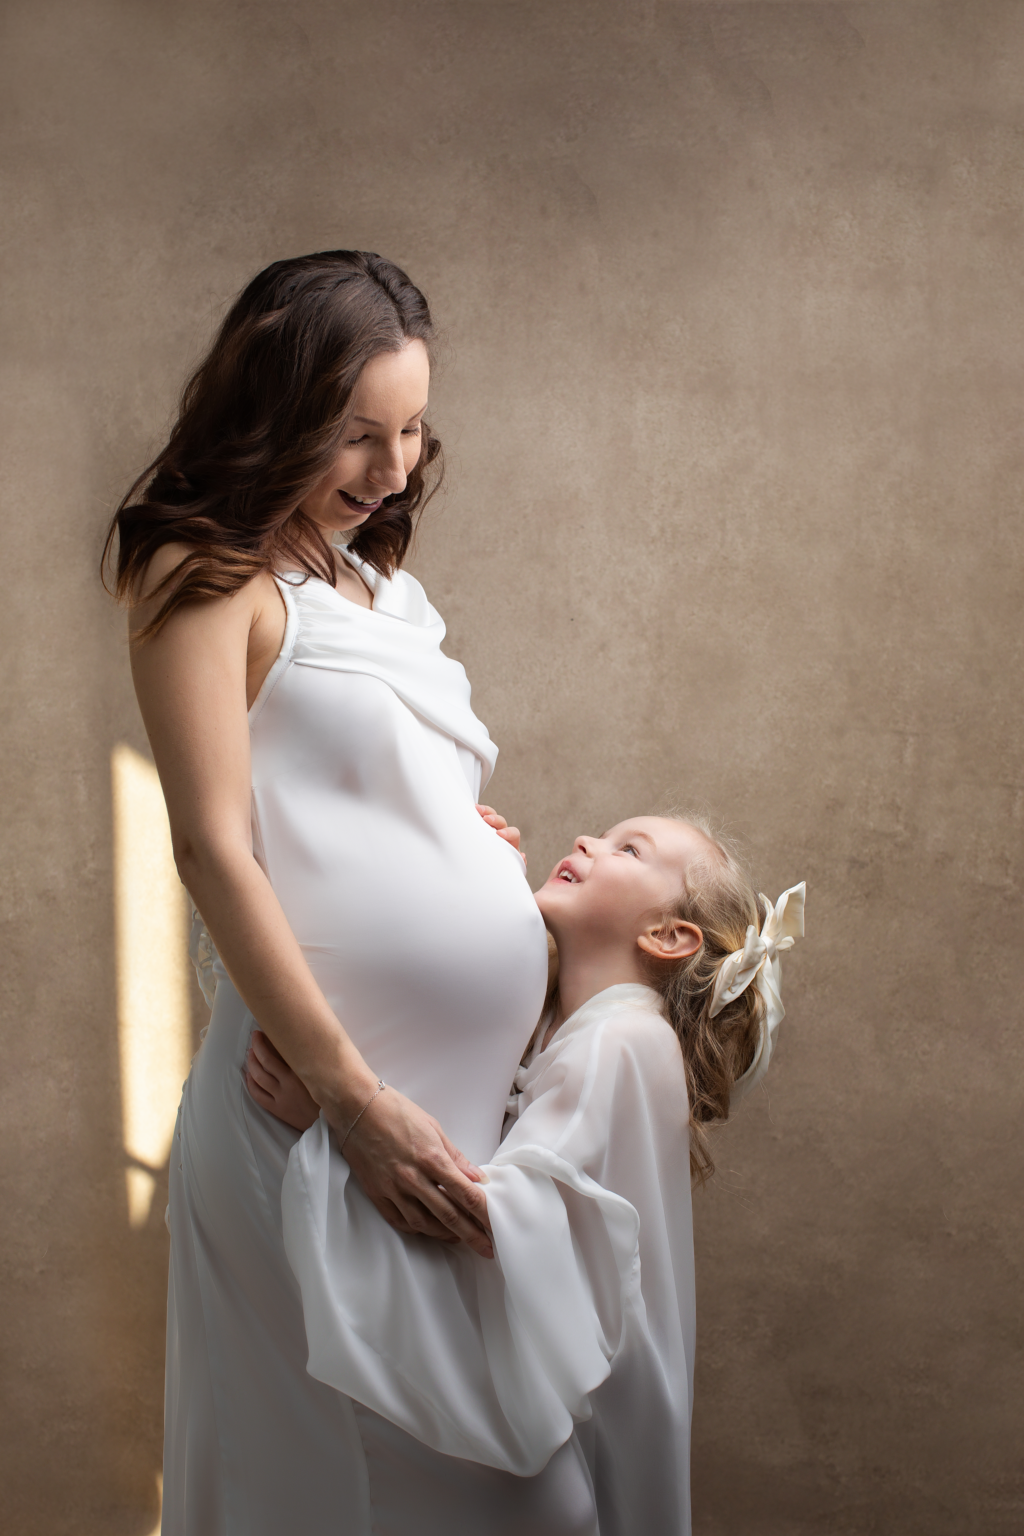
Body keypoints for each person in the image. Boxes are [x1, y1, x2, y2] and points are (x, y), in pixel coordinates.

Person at [104, 251, 599, 1534]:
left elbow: (353, 777)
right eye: (356, 434)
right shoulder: (201, 577)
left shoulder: (373, 576)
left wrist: (453, 833)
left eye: (413, 428)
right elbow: (214, 847)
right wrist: (349, 1096)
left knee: (512, 1490)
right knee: (317, 1480)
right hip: (313, 1116)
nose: (391, 469)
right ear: (271, 409)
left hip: (431, 1113)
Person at [247, 814, 806, 1536]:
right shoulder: (568, 1026)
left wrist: (335, 1117)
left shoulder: (625, 1040)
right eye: (602, 836)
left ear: (668, 937)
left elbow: (495, 1221)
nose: (587, 843)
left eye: (627, 850)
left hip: (571, 1451)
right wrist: (460, 850)